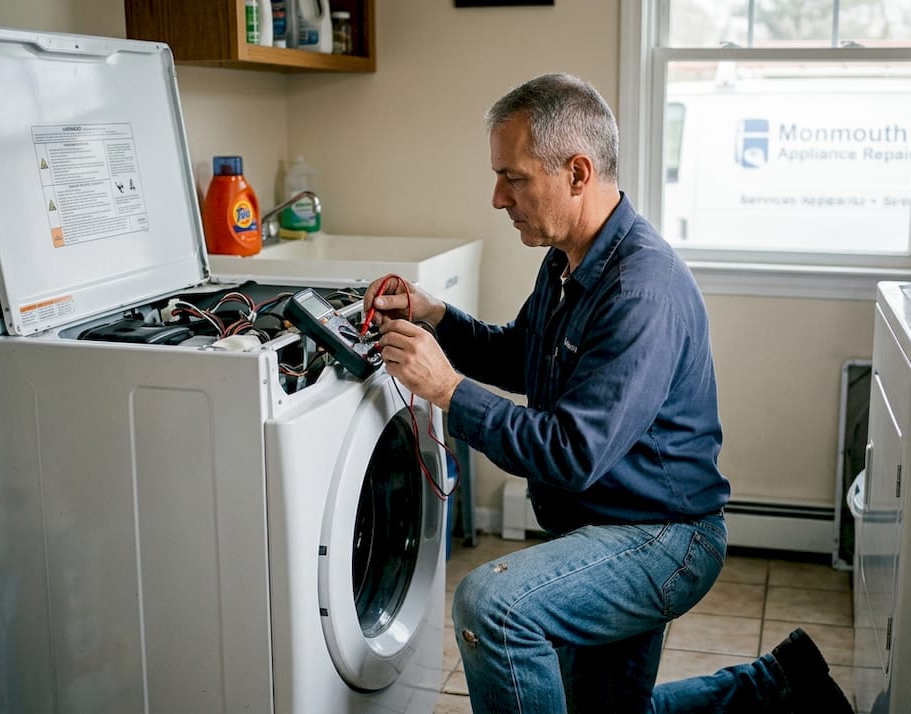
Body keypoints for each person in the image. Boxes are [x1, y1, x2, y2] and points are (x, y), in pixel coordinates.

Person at [365, 73, 852, 714]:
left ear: (576, 172)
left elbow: (571, 451)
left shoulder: (639, 290)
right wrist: (435, 316)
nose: (496, 197)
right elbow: (522, 354)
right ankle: (781, 686)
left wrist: (450, 390)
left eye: (513, 178)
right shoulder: (571, 259)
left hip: (662, 538)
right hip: (605, 527)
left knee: (495, 603)